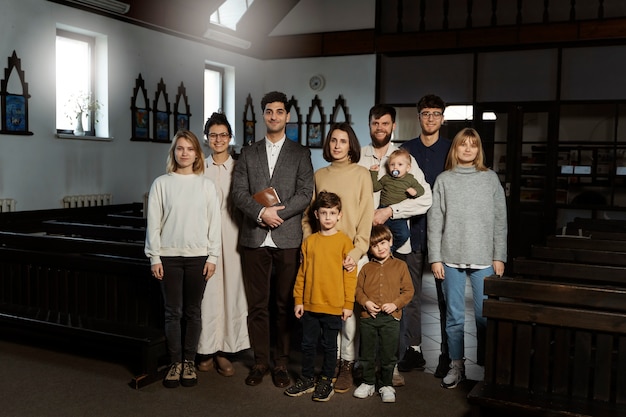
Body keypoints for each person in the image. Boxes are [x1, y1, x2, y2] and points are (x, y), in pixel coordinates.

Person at [231, 91, 314, 388]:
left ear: (287, 116)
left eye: (280, 111)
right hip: (254, 237)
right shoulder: (248, 152)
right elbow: (238, 193)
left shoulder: (300, 153)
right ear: (263, 116)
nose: (274, 116)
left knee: (283, 304)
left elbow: (306, 193)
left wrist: (277, 213)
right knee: (258, 305)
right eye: (269, 111)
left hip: (287, 236)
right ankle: (260, 362)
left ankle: (281, 363)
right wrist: (260, 214)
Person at [427, 127, 507, 389]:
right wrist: (435, 258)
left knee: (485, 316)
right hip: (450, 258)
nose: (468, 149)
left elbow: (500, 221)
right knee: (454, 316)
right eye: (463, 144)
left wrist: (499, 256)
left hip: (484, 257)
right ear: (456, 148)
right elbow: (435, 221)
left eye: (473, 144)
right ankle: (456, 365)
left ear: (478, 149)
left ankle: (488, 367)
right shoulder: (444, 180)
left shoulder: (490, 179)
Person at [359, 104, 431, 387]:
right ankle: (364, 363)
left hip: (399, 245)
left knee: (397, 303)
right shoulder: (360, 157)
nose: (380, 127)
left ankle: (393, 365)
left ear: (393, 127)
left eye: (385, 123)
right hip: (366, 242)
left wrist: (391, 212)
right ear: (370, 125)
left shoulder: (405, 158)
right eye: (376, 123)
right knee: (366, 301)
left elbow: (426, 199)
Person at [145, 129, 222, 388]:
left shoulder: (206, 185)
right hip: (169, 256)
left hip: (198, 256)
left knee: (193, 311)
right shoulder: (161, 184)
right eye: (180, 148)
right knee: (172, 312)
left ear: (197, 154)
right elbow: (153, 224)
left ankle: (189, 361)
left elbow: (215, 224)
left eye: (189, 149)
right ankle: (174, 362)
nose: (185, 153)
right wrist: (154, 257)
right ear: (174, 152)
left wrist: (213, 256)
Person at [301, 122, 373, 394]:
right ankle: (329, 362)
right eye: (333, 140)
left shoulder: (362, 175)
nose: (337, 145)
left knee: (348, 313)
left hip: (351, 254)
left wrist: (356, 252)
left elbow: (366, 216)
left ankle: (346, 363)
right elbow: (309, 214)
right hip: (322, 254)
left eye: (343, 141)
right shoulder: (320, 175)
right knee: (323, 311)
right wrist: (309, 242)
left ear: (350, 144)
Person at [399, 94, 453, 377]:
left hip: (442, 236)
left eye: (435, 113)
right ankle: (414, 349)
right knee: (411, 295)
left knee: (445, 297)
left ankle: (447, 353)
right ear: (418, 117)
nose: (430, 118)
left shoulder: (452, 149)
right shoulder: (406, 150)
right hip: (411, 232)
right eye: (425, 113)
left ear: (442, 118)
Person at [285, 191, 357, 402]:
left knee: (329, 345)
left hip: (334, 306)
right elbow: (302, 273)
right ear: (316, 214)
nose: (328, 217)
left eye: (332, 213)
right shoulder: (309, 242)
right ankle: (307, 379)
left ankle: (326, 380)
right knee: (307, 344)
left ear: (339, 215)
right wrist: (299, 300)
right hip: (310, 304)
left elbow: (350, 278)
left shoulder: (345, 243)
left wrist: (348, 304)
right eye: (324, 213)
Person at [196, 112, 250, 377]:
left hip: (232, 235)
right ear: (207, 138)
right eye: (213, 135)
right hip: (203, 237)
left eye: (223, 135)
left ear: (230, 138)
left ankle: (224, 351)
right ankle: (205, 348)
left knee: (230, 291)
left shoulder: (241, 167)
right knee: (207, 295)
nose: (218, 139)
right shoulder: (198, 167)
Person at [353, 225, 414, 403]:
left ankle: (386, 384)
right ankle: (368, 382)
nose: (380, 248)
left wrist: (395, 304)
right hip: (368, 318)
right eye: (375, 245)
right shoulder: (365, 268)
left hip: (391, 319)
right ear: (369, 248)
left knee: (388, 354)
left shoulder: (400, 266)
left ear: (391, 242)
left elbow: (408, 291)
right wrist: (366, 303)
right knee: (366, 353)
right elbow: (358, 291)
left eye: (383, 243)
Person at [370, 148, 425, 252]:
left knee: (404, 234)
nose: (395, 167)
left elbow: (421, 190)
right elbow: (375, 187)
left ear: (408, 167)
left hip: (398, 215)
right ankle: (377, 250)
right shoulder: (386, 178)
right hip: (382, 209)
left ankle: (390, 250)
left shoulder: (410, 179)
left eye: (400, 164)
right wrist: (373, 173)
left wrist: (415, 192)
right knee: (376, 234)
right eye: (392, 164)